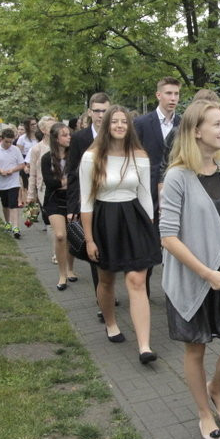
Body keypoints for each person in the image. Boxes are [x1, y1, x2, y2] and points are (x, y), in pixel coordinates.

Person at [160, 99, 220, 439]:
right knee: (195, 348)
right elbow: (167, 237)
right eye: (216, 124)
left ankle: (216, 388)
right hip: (190, 277)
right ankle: (203, 413)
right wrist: (206, 273)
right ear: (196, 132)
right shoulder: (178, 176)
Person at [80, 105, 161, 363]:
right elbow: (86, 201)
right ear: (106, 126)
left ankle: (144, 346)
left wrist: (150, 227)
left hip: (135, 218)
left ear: (129, 126)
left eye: (123, 122)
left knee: (137, 280)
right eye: (114, 121)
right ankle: (111, 323)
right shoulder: (91, 157)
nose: (118, 126)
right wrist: (89, 239)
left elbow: (146, 194)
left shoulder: (140, 155)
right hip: (105, 220)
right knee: (106, 280)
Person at [67, 93, 114, 320]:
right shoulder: (80, 138)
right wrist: (73, 205)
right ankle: (102, 300)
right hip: (90, 206)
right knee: (97, 254)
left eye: (105, 111)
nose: (100, 115)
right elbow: (73, 173)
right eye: (97, 111)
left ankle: (108, 290)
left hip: (114, 204)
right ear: (89, 112)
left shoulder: (118, 135)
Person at [134, 77, 181, 297]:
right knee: (150, 243)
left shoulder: (183, 124)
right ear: (158, 95)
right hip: (148, 192)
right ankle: (143, 291)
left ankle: (175, 291)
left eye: (176, 94)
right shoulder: (142, 124)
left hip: (178, 191)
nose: (173, 98)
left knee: (176, 240)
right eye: (169, 93)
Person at [41, 123, 79, 290]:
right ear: (56, 139)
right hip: (54, 200)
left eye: (69, 134)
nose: (69, 137)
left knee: (71, 235)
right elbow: (51, 182)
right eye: (64, 135)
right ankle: (62, 274)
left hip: (72, 199)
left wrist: (66, 182)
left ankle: (70, 269)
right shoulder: (46, 158)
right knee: (60, 235)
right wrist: (66, 181)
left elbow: (77, 180)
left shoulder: (75, 156)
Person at [27, 116, 58, 262]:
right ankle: (55, 253)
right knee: (51, 223)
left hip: (63, 188)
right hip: (44, 189)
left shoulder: (63, 145)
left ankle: (65, 251)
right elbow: (32, 173)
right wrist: (30, 195)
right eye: (51, 127)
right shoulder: (36, 149)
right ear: (44, 130)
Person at [0, 128, 26, 239]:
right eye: (6, 142)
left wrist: (12, 170)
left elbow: (21, 164)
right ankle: (7, 222)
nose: (9, 144)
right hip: (1, 182)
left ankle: (16, 227)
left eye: (11, 142)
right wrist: (0, 171)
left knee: (14, 204)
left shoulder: (15, 150)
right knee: (5, 204)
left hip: (13, 181)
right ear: (1, 139)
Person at [15, 117, 38, 208]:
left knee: (37, 186)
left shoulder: (39, 136)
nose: (34, 126)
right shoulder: (22, 138)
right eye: (32, 124)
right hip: (26, 162)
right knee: (27, 186)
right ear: (27, 126)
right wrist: (24, 166)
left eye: (35, 124)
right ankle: (30, 209)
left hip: (38, 162)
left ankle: (36, 206)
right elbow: (18, 153)